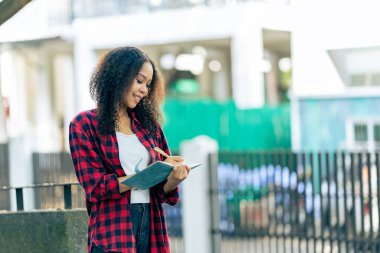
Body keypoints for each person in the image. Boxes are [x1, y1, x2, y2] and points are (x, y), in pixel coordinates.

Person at [69, 46, 191, 253]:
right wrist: (145, 176)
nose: (144, 90)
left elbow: (161, 192)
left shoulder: (149, 127)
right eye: (139, 80)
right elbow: (96, 188)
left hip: (151, 223)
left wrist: (173, 179)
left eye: (148, 84)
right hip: (112, 229)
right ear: (118, 77)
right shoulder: (84, 124)